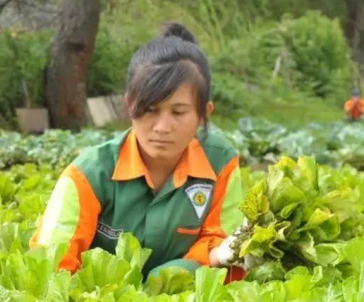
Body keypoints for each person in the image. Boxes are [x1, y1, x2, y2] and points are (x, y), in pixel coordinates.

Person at [32, 24, 244, 277]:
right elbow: (50, 264)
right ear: (130, 105)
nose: (162, 127)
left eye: (178, 112)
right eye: (150, 109)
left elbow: (223, 252)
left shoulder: (221, 162)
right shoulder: (89, 173)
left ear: (203, 114)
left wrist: (171, 276)